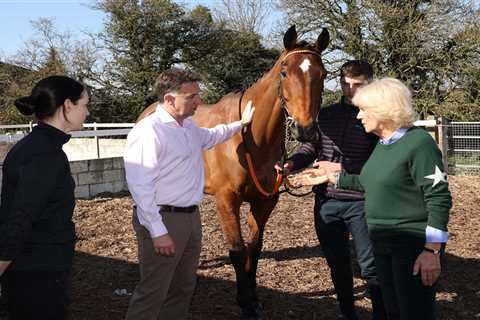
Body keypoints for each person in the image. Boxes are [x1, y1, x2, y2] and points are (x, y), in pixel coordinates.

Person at [294, 77, 452, 320]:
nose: (359, 116)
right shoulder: (383, 144)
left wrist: (431, 251)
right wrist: (329, 178)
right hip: (382, 242)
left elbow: (438, 198)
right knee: (392, 312)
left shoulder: (419, 143)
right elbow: (368, 183)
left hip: (410, 245)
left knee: (413, 312)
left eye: (364, 110)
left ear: (384, 110)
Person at [123, 67, 255, 320]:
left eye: (198, 94)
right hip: (163, 220)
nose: (199, 101)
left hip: (190, 219)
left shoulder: (187, 127)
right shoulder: (149, 131)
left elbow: (213, 135)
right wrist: (158, 231)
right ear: (169, 99)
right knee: (153, 291)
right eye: (192, 96)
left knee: (183, 288)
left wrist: (241, 124)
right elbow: (140, 187)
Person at [277, 60, 385, 320]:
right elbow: (311, 149)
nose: (349, 90)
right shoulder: (325, 114)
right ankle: (347, 313)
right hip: (327, 200)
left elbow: (380, 163)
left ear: (370, 83)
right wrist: (292, 163)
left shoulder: (377, 118)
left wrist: (338, 167)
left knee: (370, 266)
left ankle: (383, 314)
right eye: (345, 84)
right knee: (337, 264)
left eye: (356, 85)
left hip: (362, 200)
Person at [0, 75, 89, 319]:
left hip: (38, 269)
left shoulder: (39, 145)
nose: (87, 112)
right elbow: (20, 216)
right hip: (37, 274)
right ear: (67, 106)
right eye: (84, 105)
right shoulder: (44, 153)